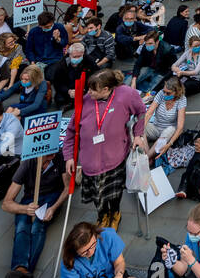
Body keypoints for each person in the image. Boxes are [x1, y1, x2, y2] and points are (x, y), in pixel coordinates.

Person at [62, 68, 148, 230]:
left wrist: (138, 134)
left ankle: (115, 213)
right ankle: (102, 216)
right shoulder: (85, 102)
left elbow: (141, 112)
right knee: (96, 195)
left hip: (115, 158)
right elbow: (71, 131)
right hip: (90, 162)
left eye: (93, 90)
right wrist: (68, 156)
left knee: (114, 192)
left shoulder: (126, 94)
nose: (89, 93)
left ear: (106, 89)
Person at [0, 150, 70, 278]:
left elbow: (67, 188)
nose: (51, 156)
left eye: (53, 153)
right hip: (30, 200)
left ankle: (18, 276)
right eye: (48, 154)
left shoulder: (59, 158)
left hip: (52, 197)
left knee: (37, 227)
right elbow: (6, 204)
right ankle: (21, 275)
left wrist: (53, 208)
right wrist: (25, 209)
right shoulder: (28, 163)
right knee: (21, 227)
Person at [143, 77, 187, 165]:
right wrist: (140, 129)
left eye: (168, 93)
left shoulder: (182, 100)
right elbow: (149, 113)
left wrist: (169, 144)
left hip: (168, 133)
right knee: (136, 125)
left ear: (176, 92)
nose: (165, 95)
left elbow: (180, 127)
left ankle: (145, 159)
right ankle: (148, 156)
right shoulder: (161, 94)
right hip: (156, 128)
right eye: (164, 92)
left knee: (170, 129)